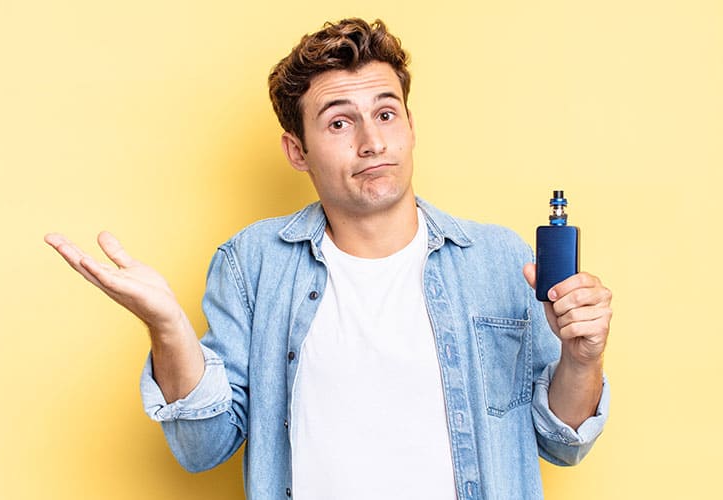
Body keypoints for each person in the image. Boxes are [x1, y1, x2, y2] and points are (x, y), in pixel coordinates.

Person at [45, 18, 612, 500]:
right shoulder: (253, 264)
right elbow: (203, 448)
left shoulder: (497, 258)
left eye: (386, 114)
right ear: (298, 150)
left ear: (411, 127)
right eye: (339, 122)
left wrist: (583, 360)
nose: (372, 142)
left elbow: (561, 442)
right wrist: (167, 329)